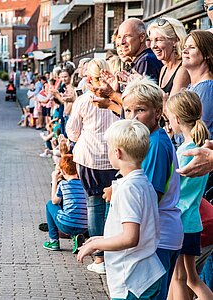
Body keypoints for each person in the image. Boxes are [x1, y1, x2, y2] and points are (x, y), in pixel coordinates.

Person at [78, 119, 165, 300]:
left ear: (117, 152)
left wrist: (96, 244)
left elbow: (130, 238)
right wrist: (101, 238)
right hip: (145, 272)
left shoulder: (128, 188)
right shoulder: (142, 183)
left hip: (132, 278)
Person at [120, 77, 183, 300]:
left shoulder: (155, 144)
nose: (133, 117)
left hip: (159, 236)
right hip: (158, 233)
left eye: (140, 110)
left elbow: (149, 197)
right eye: (127, 110)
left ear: (158, 112)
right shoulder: (148, 139)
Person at [66, 58, 120, 275]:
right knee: (114, 207)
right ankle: (115, 252)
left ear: (89, 77)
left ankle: (99, 258)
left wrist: (79, 137)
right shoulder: (117, 97)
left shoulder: (83, 101)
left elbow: (72, 131)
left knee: (94, 206)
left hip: (89, 158)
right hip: (115, 158)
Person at [165, 90, 213, 300]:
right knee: (191, 278)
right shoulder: (202, 149)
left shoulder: (185, 151)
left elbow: (171, 186)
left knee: (179, 277)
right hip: (193, 221)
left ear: (176, 118)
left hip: (179, 221)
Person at [42, 154, 87, 253]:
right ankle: (76, 238)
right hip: (84, 226)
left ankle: (53, 241)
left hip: (66, 225)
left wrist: (55, 180)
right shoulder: (85, 184)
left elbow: (54, 201)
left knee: (50, 205)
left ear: (62, 171)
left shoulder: (63, 184)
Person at [147, 17, 190, 96]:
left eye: (159, 40)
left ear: (175, 40)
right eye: (151, 40)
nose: (153, 46)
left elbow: (172, 106)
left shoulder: (182, 70)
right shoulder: (164, 69)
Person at [182, 30, 213, 138]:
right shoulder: (192, 87)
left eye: (192, 47)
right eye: (185, 47)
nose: (185, 51)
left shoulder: (206, 88)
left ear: (207, 54)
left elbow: (198, 131)